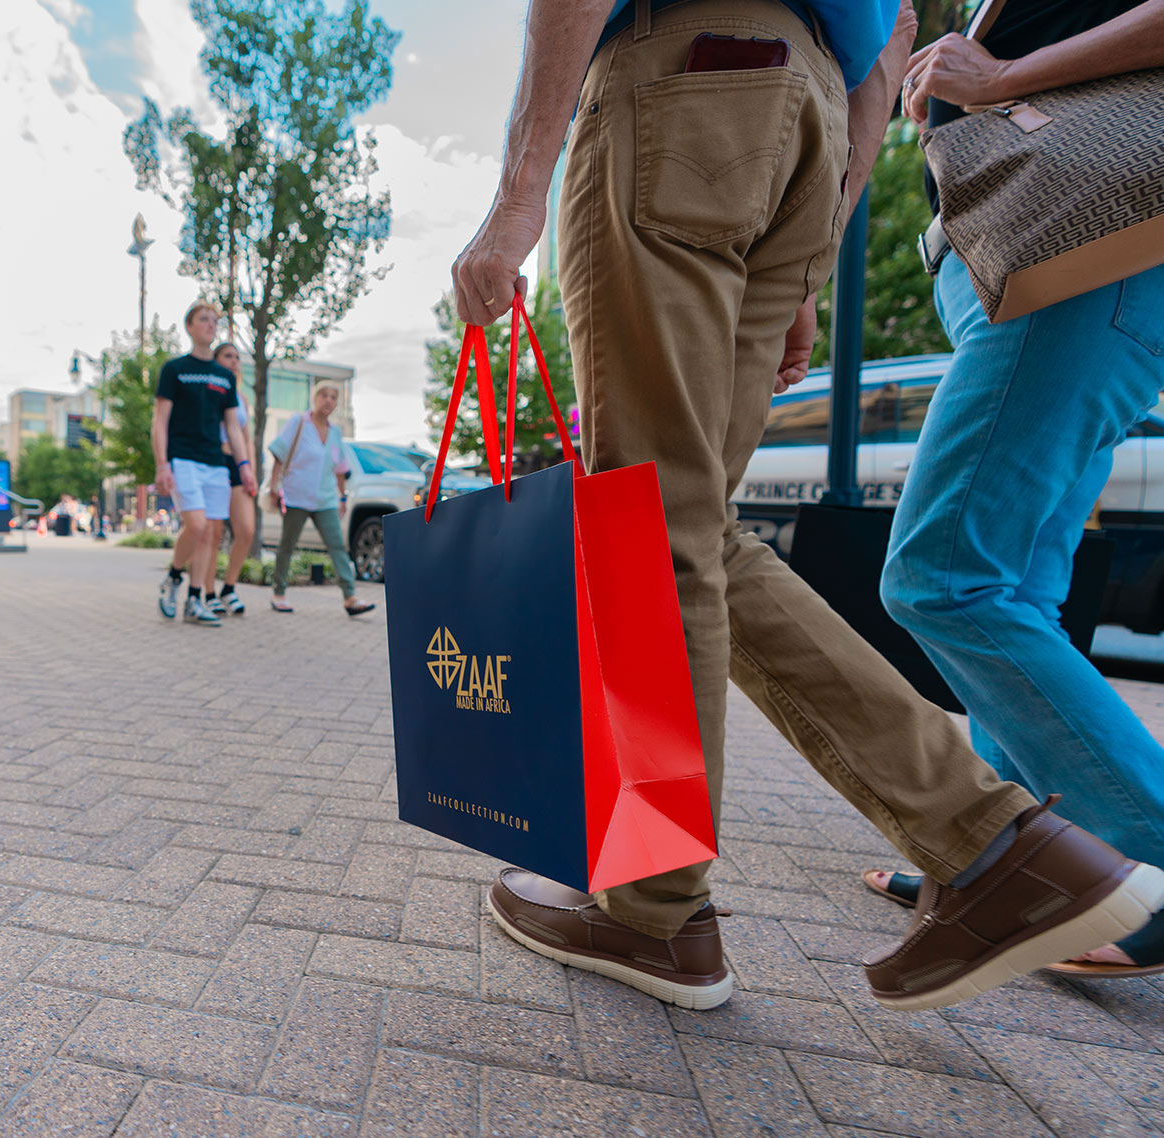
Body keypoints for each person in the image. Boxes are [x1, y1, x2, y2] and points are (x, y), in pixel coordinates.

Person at [452, 0, 1164, 1012]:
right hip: (813, 121)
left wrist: (518, 194)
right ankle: (981, 846)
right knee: (690, 529)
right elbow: (889, 36)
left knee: (646, 529)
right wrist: (807, 259)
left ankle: (665, 905)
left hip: (681, 80)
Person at [861, 1, 1164, 979]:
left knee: (944, 577)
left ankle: (1142, 864)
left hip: (1075, 253)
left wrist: (992, 80)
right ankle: (1007, 858)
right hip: (1015, 253)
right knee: (1005, 588)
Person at [153, 302, 259, 626]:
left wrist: (243, 465)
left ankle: (195, 600)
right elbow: (160, 421)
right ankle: (174, 576)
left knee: (210, 534)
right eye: (204, 319)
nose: (211, 325)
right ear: (189, 326)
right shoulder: (174, 369)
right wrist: (161, 465)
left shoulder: (224, 377)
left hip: (216, 463)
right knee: (196, 526)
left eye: (215, 320)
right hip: (183, 458)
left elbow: (233, 427)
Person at [266, 384, 374, 617]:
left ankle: (350, 597)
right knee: (287, 546)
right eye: (324, 395)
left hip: (325, 499)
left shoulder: (335, 433)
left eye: (333, 397)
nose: (328, 400)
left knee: (337, 546)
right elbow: (279, 453)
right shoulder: (299, 423)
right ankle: (279, 593)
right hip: (296, 495)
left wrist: (342, 497)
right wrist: (274, 485)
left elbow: (340, 469)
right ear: (315, 398)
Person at [205, 342, 257, 616]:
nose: (234, 361)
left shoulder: (242, 398)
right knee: (212, 534)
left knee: (246, 530)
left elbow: (247, 438)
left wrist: (251, 472)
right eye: (228, 356)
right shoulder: (208, 390)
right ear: (215, 360)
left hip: (239, 466)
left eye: (237, 357)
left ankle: (229, 587)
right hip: (213, 463)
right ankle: (208, 592)